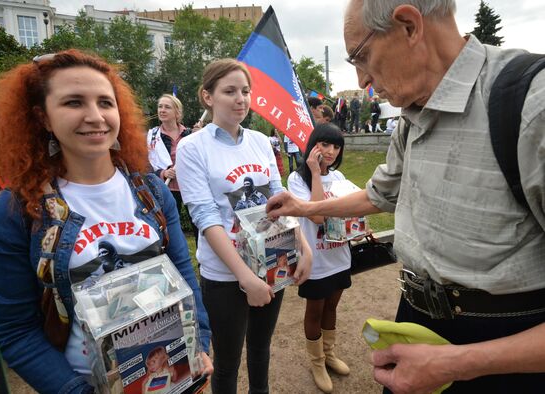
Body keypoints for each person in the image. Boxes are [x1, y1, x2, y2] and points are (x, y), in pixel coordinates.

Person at [266, 0, 545, 393]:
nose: (363, 80)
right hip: (415, 323)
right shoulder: (412, 112)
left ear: (409, 26)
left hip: (502, 352)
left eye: (360, 56)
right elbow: (380, 194)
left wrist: (458, 364)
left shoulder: (531, 105)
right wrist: (305, 207)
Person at [0, 49, 213, 393]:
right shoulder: (18, 211)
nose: (95, 116)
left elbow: (184, 276)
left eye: (105, 102)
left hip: (172, 372)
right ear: (43, 118)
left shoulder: (152, 191)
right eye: (73, 103)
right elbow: (16, 331)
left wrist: (197, 346)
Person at [175, 58, 312, 394]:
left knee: (261, 349)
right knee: (226, 364)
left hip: (270, 262)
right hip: (224, 275)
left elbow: (280, 199)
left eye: (246, 91)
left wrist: (303, 246)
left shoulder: (260, 141)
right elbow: (205, 218)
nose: (241, 99)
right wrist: (244, 277)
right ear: (208, 96)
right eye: (230, 91)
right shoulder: (192, 147)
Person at [287, 123, 352, 393]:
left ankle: (329, 353)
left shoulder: (339, 178)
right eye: (325, 144)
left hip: (339, 256)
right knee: (314, 310)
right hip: (315, 260)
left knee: (332, 307)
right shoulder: (296, 179)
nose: (331, 151)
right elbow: (316, 215)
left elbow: (356, 205)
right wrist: (315, 173)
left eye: (336, 147)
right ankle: (316, 362)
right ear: (314, 144)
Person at [147, 94, 198, 237]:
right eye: (160, 106)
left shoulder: (190, 135)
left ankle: (204, 258)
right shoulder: (151, 136)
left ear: (177, 112)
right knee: (169, 228)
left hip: (191, 187)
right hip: (166, 189)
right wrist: (163, 173)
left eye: (167, 107)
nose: (162, 110)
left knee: (199, 226)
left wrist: (201, 137)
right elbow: (145, 166)